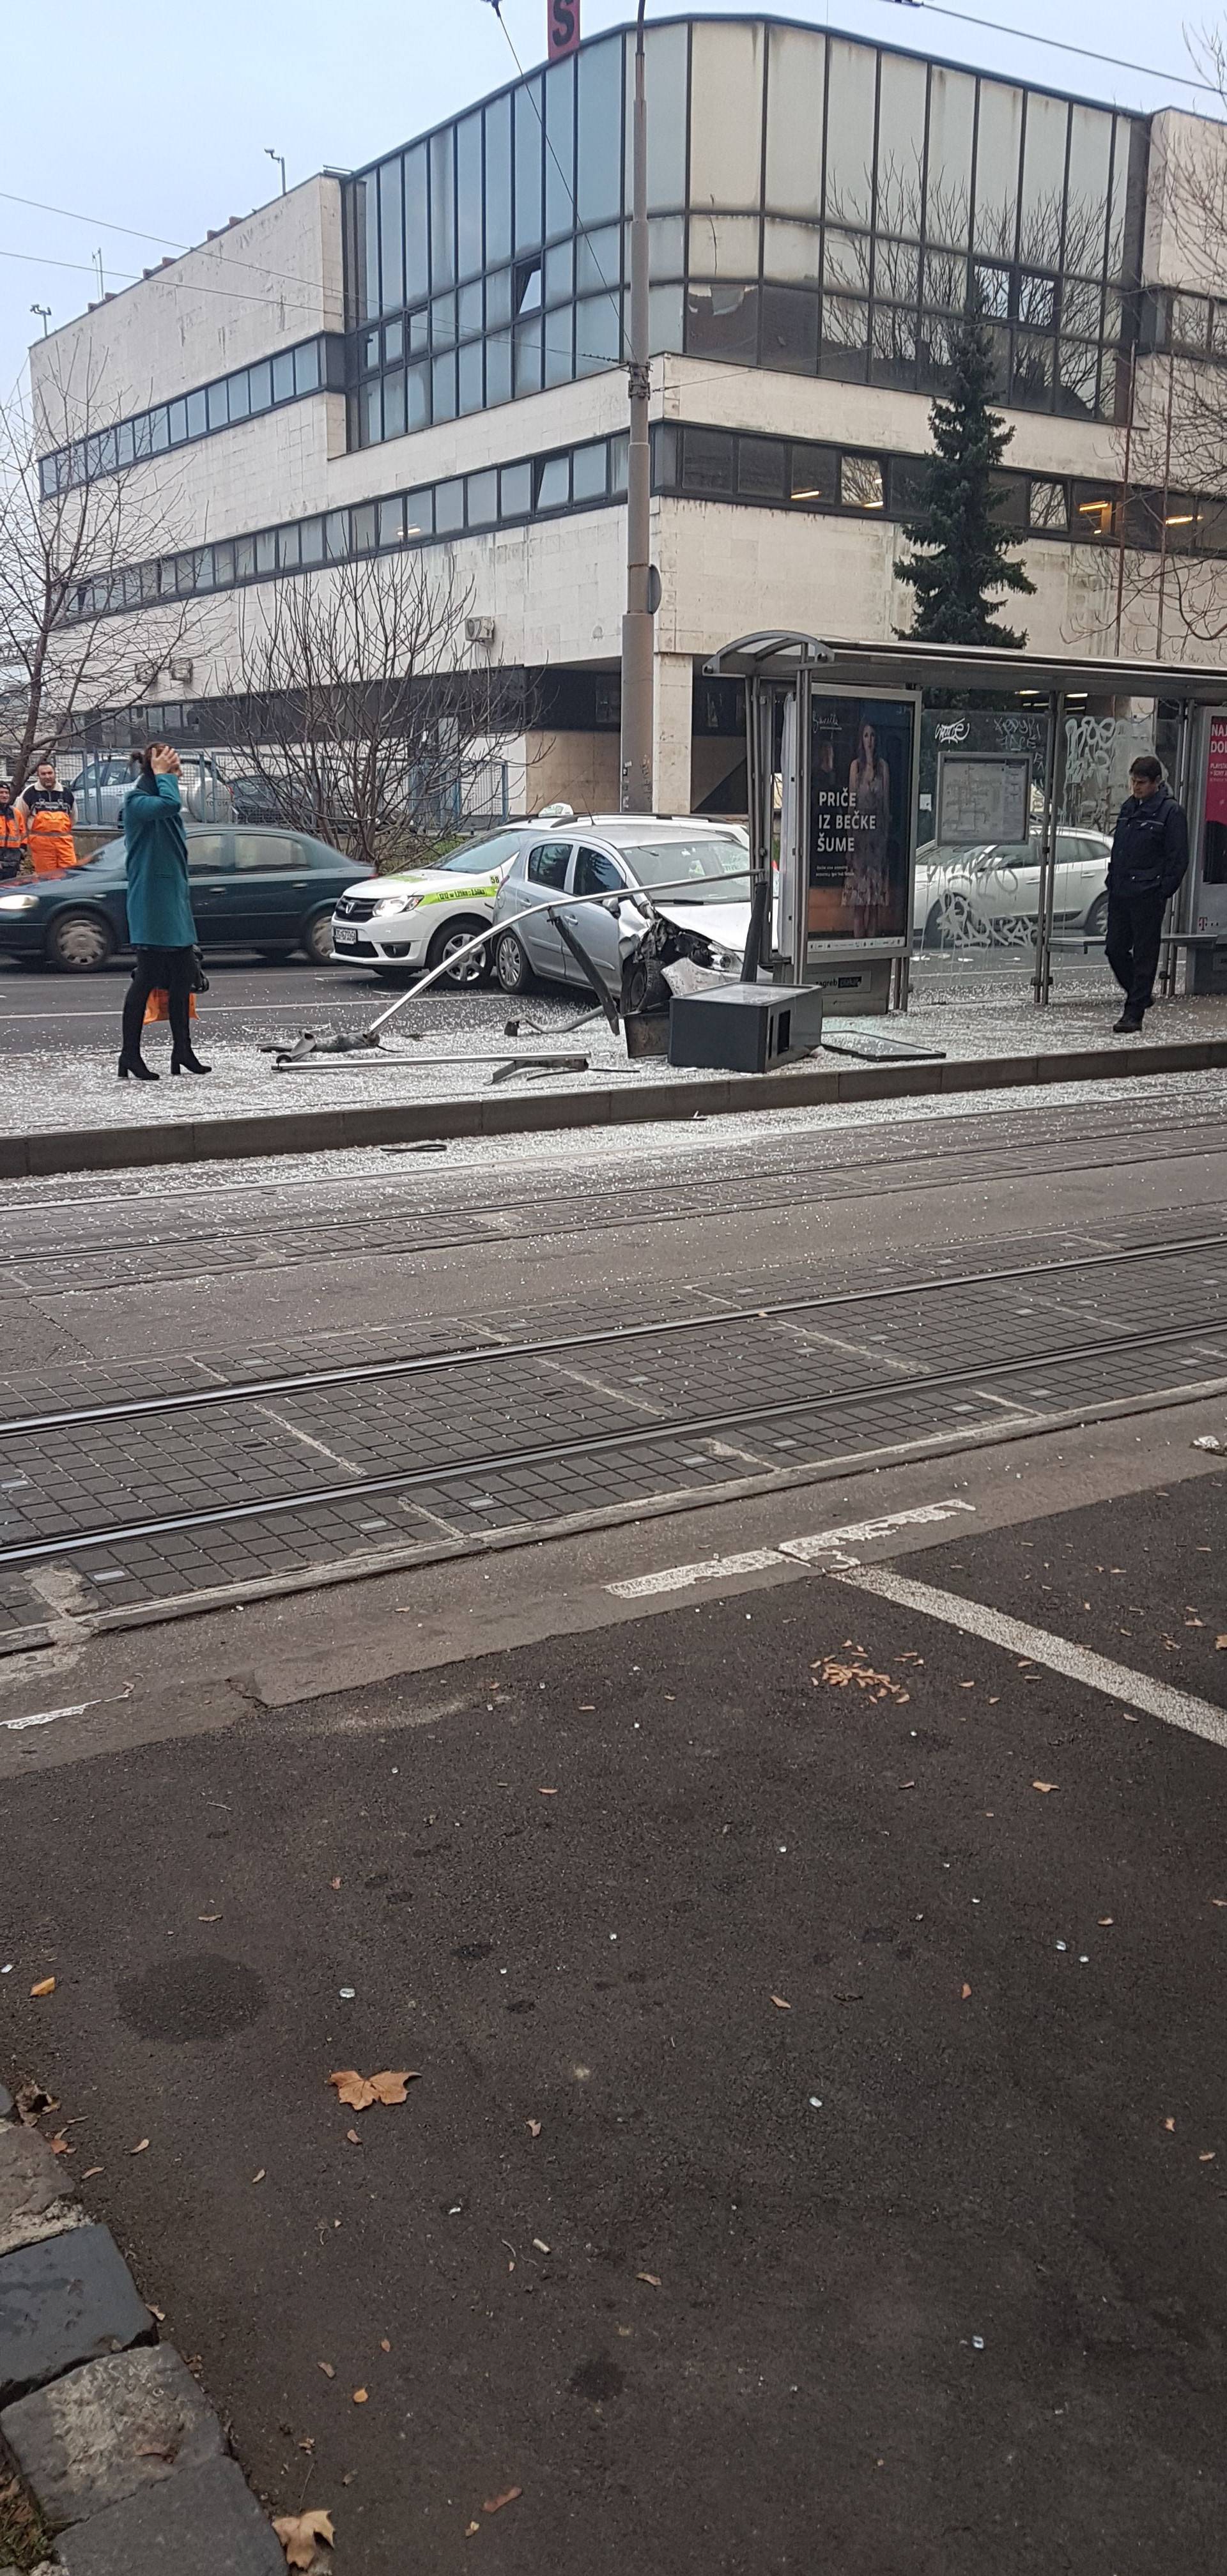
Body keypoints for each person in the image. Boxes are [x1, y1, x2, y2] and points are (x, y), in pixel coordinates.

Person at [119, 744, 210, 1082]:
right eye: (173, 765)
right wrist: (162, 774)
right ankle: (129, 1055)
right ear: (154, 770)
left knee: (183, 977)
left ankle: (182, 1050)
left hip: (172, 901)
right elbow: (170, 803)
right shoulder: (137, 802)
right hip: (153, 903)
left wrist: (165, 775)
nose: (178, 771)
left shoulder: (155, 802)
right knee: (146, 979)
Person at [1104, 755, 1189, 1035]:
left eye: (1141, 783)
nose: (1136, 787)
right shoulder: (1129, 808)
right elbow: (1120, 848)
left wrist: (1162, 891)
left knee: (1144, 954)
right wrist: (1113, 879)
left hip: (1148, 893)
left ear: (1156, 783)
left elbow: (1178, 858)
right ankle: (1140, 993)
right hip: (1121, 891)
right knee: (1114, 948)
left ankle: (1134, 1013)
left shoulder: (1170, 812)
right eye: (1133, 782)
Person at [843, 719, 891, 937]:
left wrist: (885, 839)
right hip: (859, 837)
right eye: (866, 736)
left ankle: (871, 947)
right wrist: (849, 841)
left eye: (872, 736)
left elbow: (886, 806)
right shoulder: (856, 767)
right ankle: (856, 948)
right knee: (858, 902)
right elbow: (851, 805)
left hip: (877, 839)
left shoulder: (883, 767)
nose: (869, 740)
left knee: (874, 904)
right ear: (861, 740)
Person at [16, 762, 76, 875]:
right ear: (38, 776)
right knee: (47, 877)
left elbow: (73, 818)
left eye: (50, 773)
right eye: (43, 774)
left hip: (65, 844)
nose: (47, 776)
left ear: (55, 774)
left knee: (70, 874)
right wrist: (23, 843)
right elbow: (20, 819)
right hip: (42, 845)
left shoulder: (67, 793)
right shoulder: (30, 793)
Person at [0, 781, 27, 882]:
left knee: (10, 892)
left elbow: (24, 835)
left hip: (12, 862)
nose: (4, 795)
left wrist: (21, 852)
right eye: (1, 793)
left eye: (6, 793)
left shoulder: (15, 813)